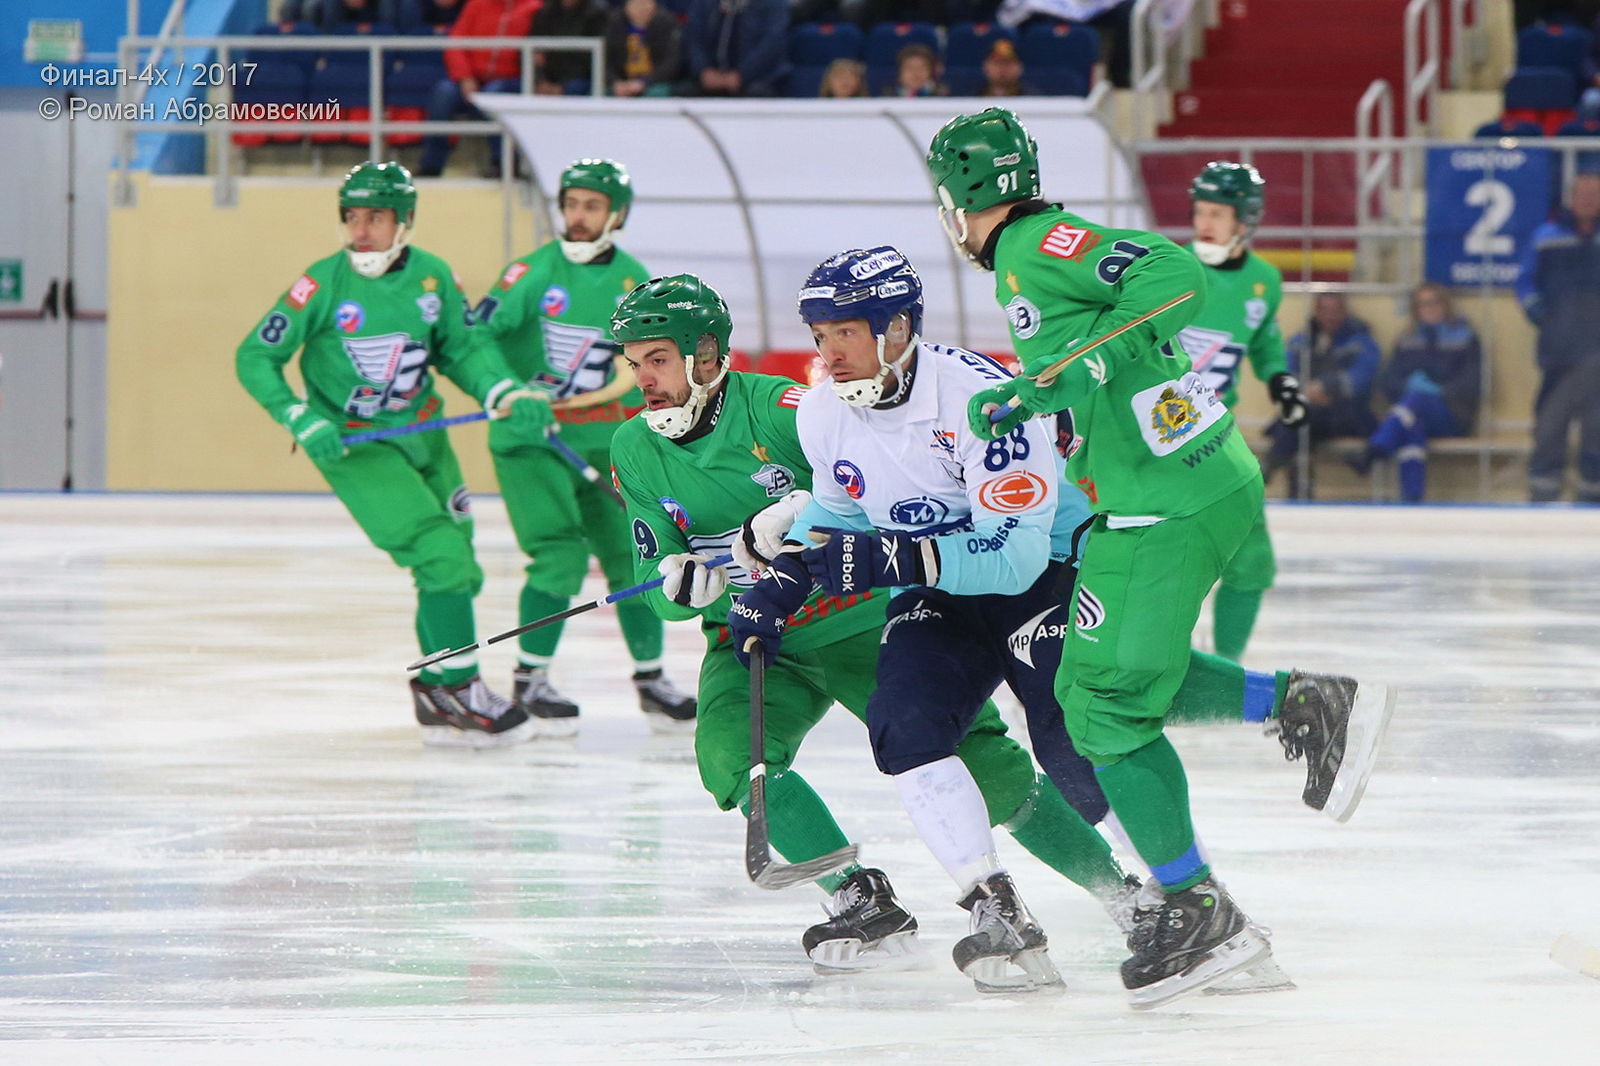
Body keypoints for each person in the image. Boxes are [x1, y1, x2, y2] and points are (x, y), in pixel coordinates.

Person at [926, 108, 1395, 1008]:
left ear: (962, 200)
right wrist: (1044, 394)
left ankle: (1197, 907)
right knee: (1088, 681)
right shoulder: (1028, 256)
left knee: (1104, 707)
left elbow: (1173, 275)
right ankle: (1304, 702)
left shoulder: (1033, 243)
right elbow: (1090, 350)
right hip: (1170, 491)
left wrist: (1072, 373)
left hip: (1170, 501)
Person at [608, 272, 1140, 987]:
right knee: (732, 759)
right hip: (754, 636)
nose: (643, 379)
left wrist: (798, 510)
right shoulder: (633, 447)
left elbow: (870, 487)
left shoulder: (784, 409)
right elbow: (656, 576)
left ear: (705, 355)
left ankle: (1126, 896)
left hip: (855, 618)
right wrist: (677, 585)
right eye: (634, 363)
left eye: (658, 360)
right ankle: (860, 898)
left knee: (987, 768)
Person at [235, 162, 552, 746]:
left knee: (459, 570)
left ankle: (435, 690)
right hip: (356, 446)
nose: (360, 231)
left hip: (426, 435)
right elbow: (255, 355)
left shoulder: (434, 276)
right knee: (442, 560)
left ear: (404, 221)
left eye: (375, 218)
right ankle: (462, 688)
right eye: (352, 217)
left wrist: (502, 389)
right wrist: (298, 415)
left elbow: (464, 348)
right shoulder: (320, 283)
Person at [473, 160, 695, 734]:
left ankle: (651, 679)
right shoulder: (530, 272)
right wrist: (506, 390)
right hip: (533, 441)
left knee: (632, 554)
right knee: (559, 556)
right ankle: (530, 678)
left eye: (591, 206)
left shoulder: (634, 279)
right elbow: (475, 336)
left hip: (607, 442)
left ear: (616, 215)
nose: (577, 216)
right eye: (571, 204)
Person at [1176, 161, 1306, 662]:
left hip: (1216, 436)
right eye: (1200, 211)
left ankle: (1225, 670)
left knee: (1252, 559)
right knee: (1165, 559)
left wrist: (1281, 381)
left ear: (1245, 221)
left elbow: (1265, 341)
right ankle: (1153, 666)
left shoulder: (1263, 280)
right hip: (1151, 438)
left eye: (1218, 213)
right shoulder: (1168, 267)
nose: (1204, 223)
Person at [1347, 283, 1481, 502]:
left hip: (1453, 414)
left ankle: (1375, 450)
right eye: (1422, 304)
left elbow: (1473, 383)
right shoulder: (1406, 340)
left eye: (1434, 302)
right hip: (1411, 414)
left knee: (1416, 400)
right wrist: (1406, 386)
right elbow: (1388, 381)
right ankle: (1412, 499)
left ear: (1445, 305)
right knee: (1411, 428)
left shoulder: (1466, 339)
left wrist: (1439, 391)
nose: (1429, 308)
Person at [1516, 171, 1600, 502]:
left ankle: (1593, 496)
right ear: (1571, 198)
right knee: (1551, 422)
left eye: (1595, 195)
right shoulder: (1545, 237)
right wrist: (1541, 315)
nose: (1588, 201)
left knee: (1597, 425)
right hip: (1558, 351)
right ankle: (1543, 495)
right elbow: (1525, 282)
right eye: (1583, 194)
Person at [1262, 292, 1380, 498]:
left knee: (1299, 421)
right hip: (1311, 413)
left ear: (1344, 311)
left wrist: (1325, 387)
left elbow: (1361, 379)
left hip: (1349, 415)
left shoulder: (1362, 342)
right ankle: (1298, 491)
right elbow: (1285, 374)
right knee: (1305, 422)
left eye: (1335, 310)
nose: (1329, 316)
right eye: (1324, 310)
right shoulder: (1300, 341)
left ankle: (1272, 464)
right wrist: (1308, 391)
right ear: (1315, 312)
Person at [415, 0, 537, 178]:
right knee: (443, 92)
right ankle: (431, 166)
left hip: (511, 80)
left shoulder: (534, 7)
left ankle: (503, 164)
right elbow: (456, 42)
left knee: (494, 94)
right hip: (472, 78)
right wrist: (465, 77)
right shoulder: (477, 4)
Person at [682, 0, 790, 98]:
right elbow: (693, 39)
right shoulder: (704, 3)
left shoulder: (773, 4)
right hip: (707, 80)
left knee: (758, 93)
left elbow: (771, 45)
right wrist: (703, 71)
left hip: (759, 81)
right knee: (683, 93)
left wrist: (741, 75)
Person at [531, 0, 611, 95]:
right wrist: (541, 81)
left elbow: (592, 58)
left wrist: (561, 86)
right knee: (519, 85)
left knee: (573, 87)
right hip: (549, 77)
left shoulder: (596, 14)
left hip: (582, 77)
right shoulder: (546, 11)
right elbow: (535, 51)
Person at [605, 0, 682, 98]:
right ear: (627, 6)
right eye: (637, 4)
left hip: (654, 83)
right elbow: (604, 61)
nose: (642, 8)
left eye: (646, 3)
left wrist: (644, 82)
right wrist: (615, 82)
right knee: (600, 91)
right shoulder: (614, 23)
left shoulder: (666, 23)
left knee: (657, 93)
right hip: (621, 82)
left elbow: (670, 63)